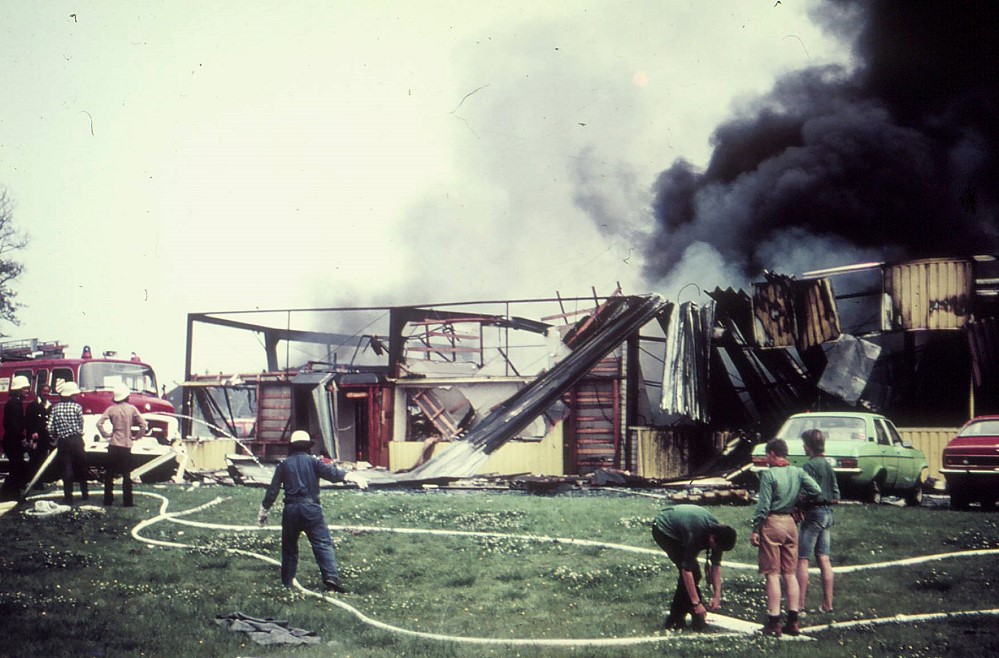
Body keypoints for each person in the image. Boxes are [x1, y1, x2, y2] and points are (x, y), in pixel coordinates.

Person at [258, 430, 369, 592]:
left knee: (289, 547)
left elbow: (273, 490)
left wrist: (264, 511)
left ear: (292, 446)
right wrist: (352, 476)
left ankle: (287, 583)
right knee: (322, 543)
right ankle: (330, 577)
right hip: (312, 509)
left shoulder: (283, 465)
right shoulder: (314, 462)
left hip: (291, 510)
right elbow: (332, 473)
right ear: (308, 446)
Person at [750, 438, 822, 637]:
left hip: (772, 522)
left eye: (767, 455)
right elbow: (816, 490)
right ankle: (793, 621)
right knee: (790, 573)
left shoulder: (769, 474)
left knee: (772, 573)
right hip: (790, 523)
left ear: (772, 454)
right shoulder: (797, 472)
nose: (766, 458)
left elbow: (763, 505)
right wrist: (800, 503)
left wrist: (755, 528)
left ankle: (774, 621)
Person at [652, 503, 737, 631]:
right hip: (664, 528)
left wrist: (717, 595)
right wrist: (696, 603)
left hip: (682, 522)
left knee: (693, 575)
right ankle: (683, 618)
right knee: (694, 573)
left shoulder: (719, 535)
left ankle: (676, 619)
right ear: (712, 538)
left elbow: (716, 566)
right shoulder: (697, 535)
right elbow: (686, 570)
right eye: (716, 547)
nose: (716, 550)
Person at [796, 429, 839, 615]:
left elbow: (805, 493)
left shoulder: (809, 466)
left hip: (813, 514)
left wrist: (799, 506)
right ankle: (827, 604)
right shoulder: (828, 465)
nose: (803, 447)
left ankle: (799, 605)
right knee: (824, 558)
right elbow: (836, 495)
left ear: (809, 446)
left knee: (802, 558)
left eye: (804, 444)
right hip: (828, 513)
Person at [96, 384, 147, 507]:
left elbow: (99, 423)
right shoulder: (132, 409)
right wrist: (137, 436)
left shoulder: (111, 409)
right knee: (126, 474)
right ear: (127, 396)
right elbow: (143, 425)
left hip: (113, 444)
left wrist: (105, 434)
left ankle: (108, 500)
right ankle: (127, 501)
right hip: (126, 445)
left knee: (109, 474)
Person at [47, 382, 89, 504]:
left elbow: (50, 428)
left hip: (63, 442)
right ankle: (84, 493)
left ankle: (68, 496)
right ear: (71, 395)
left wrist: (55, 436)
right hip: (76, 440)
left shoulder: (56, 408)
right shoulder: (77, 407)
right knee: (82, 466)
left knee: (67, 468)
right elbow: (81, 424)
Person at [1, 375, 31, 499]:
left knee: (17, 466)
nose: (27, 391)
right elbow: (16, 424)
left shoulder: (12, 402)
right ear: (19, 389)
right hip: (13, 441)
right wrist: (22, 438)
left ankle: (11, 492)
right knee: (17, 467)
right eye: (25, 388)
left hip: (10, 439)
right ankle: (8, 492)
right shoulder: (16, 403)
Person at [25, 384, 53, 488]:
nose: (46, 393)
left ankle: (40, 481)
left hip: (45, 438)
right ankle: (34, 482)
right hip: (35, 438)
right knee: (35, 459)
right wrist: (33, 432)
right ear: (40, 392)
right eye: (44, 391)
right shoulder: (33, 405)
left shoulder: (49, 406)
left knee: (43, 459)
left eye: (48, 391)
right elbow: (28, 421)